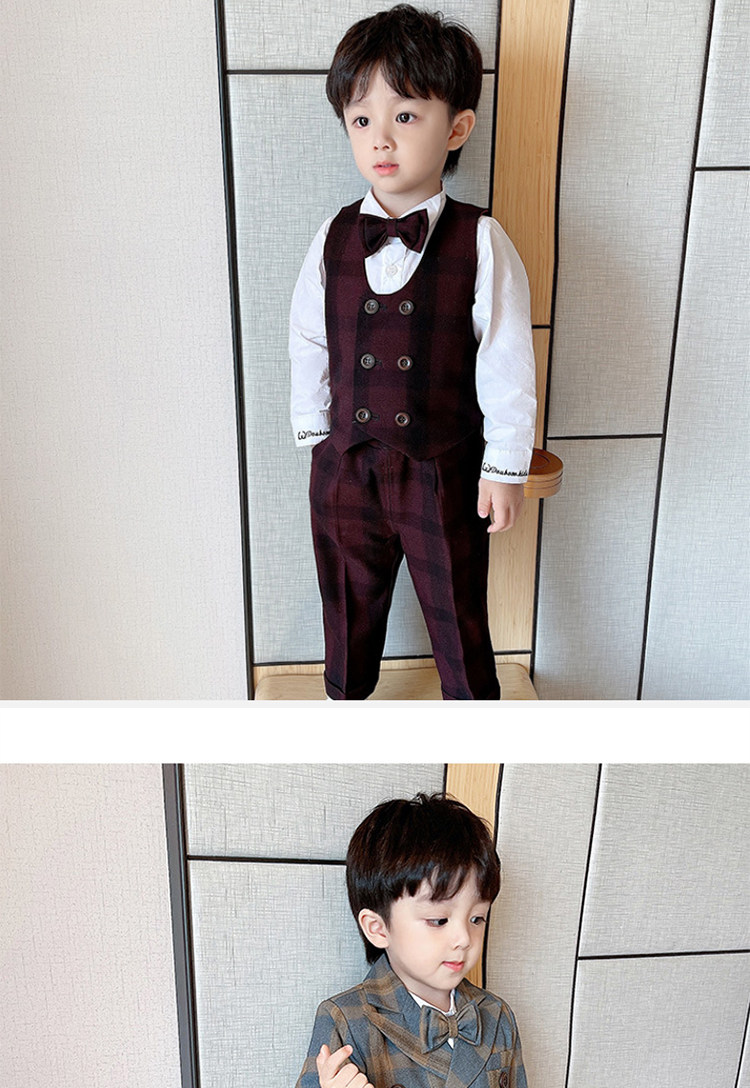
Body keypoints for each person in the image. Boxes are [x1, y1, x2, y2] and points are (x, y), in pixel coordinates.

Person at [289, 5, 536, 700]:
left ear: (456, 128)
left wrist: (505, 467)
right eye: (361, 119)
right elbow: (307, 338)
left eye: (405, 115)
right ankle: (346, 699)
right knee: (345, 599)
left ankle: (472, 711)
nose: (381, 138)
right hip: (346, 463)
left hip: (440, 468)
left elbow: (507, 359)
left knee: (457, 606)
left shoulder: (480, 240)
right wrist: (315, 432)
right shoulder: (333, 236)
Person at [296, 793, 528, 1088]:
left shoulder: (496, 1015)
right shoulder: (347, 1019)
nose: (463, 939)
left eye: (477, 919)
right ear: (378, 929)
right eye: (439, 920)